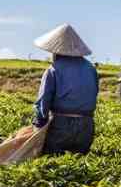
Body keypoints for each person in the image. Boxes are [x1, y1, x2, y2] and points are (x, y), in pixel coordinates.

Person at [32, 23, 99, 154]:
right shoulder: (91, 69)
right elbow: (94, 93)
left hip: (61, 126)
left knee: (52, 162)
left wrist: (39, 124)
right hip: (86, 126)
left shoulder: (53, 70)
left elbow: (43, 102)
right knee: (79, 164)